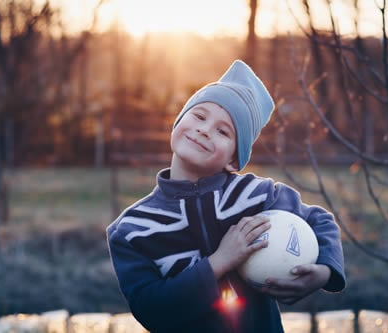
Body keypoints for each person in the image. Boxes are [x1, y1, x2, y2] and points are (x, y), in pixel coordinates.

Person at [107, 60, 346, 333]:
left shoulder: (257, 196)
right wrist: (219, 262)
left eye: (223, 131)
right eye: (198, 116)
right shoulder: (132, 230)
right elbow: (151, 310)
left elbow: (320, 220)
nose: (205, 129)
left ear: (234, 160)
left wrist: (324, 272)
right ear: (177, 123)